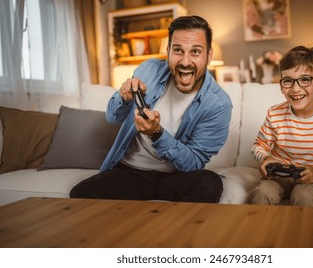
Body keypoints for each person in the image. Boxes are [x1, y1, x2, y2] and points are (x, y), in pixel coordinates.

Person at [70, 15, 232, 203]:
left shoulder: (219, 105)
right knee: (79, 194)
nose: (185, 62)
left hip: (175, 177)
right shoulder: (149, 69)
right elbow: (112, 117)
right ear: (168, 51)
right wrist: (124, 97)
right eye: (178, 50)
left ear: (209, 55)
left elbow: (193, 163)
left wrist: (157, 134)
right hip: (130, 173)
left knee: (209, 183)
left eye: (195, 52)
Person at [250, 45, 313, 208]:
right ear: (281, 86)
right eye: (288, 81)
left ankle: (303, 233)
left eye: (305, 79)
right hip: (279, 176)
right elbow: (259, 146)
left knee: (304, 196)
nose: (296, 89)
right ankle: (262, 233)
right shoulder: (274, 114)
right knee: (261, 193)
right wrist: (265, 158)